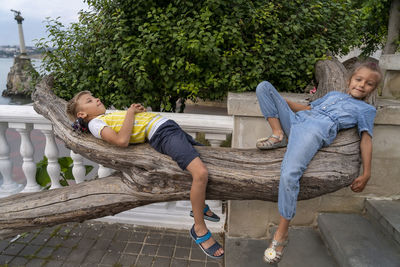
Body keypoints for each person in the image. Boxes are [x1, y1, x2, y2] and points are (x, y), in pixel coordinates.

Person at [66, 92, 224, 259]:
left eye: (94, 97)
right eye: (90, 100)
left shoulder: (106, 115)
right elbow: (121, 141)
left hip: (169, 128)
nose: (97, 99)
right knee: (200, 173)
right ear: (82, 114)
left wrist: (135, 112)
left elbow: (130, 126)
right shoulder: (95, 124)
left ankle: (199, 207)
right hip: (163, 134)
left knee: (209, 164)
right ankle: (199, 229)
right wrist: (130, 113)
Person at [255, 61, 382, 264]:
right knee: (264, 87)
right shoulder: (333, 95)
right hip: (298, 120)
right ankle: (279, 134)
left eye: (368, 83)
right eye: (358, 79)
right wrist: (280, 101)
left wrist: (367, 173)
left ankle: (282, 233)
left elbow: (366, 140)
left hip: (314, 130)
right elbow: (306, 107)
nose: (361, 85)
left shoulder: (365, 110)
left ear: (373, 89)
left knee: (289, 175)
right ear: (349, 81)